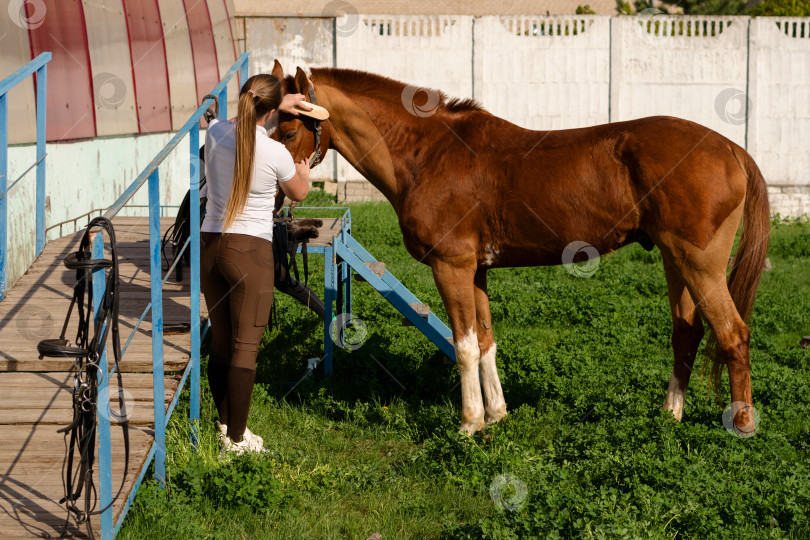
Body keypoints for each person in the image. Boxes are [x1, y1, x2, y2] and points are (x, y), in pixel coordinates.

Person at [200, 74, 311, 454]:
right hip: (250, 252)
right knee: (245, 348)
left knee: (220, 342)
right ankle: (235, 441)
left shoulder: (214, 134)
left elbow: (220, 114)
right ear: (272, 109)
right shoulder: (277, 153)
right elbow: (297, 192)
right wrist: (305, 171)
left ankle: (227, 425)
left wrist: (275, 101)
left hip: (210, 246)